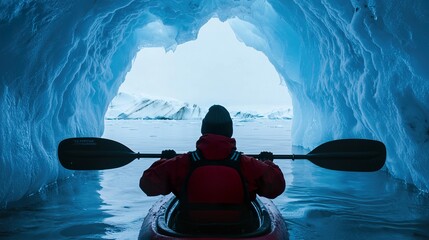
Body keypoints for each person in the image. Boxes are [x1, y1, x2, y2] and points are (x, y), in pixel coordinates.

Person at [139, 105, 285, 232]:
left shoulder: (182, 163)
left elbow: (147, 185)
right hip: (238, 230)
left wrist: (164, 161)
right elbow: (276, 187)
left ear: (204, 129)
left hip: (190, 230)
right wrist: (268, 163)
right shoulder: (247, 164)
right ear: (230, 131)